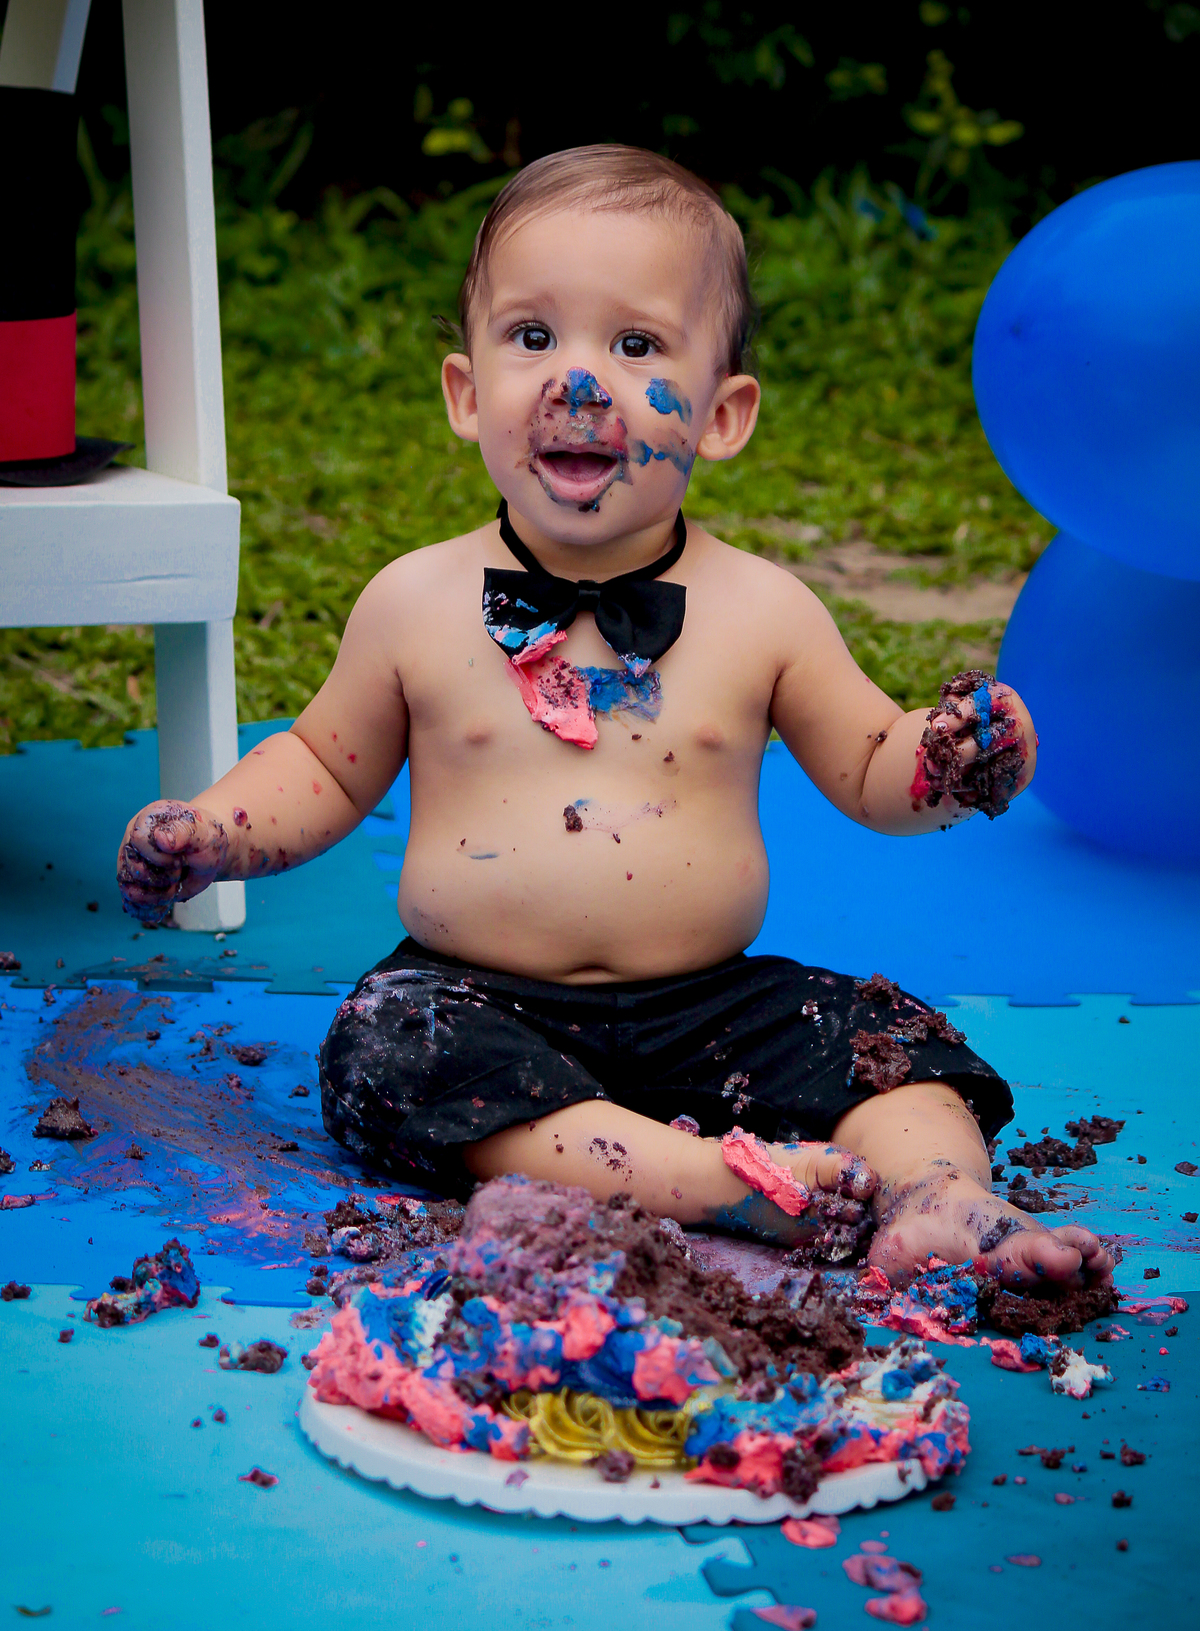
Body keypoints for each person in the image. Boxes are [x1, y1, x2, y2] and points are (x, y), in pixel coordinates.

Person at [117, 145, 1113, 1291]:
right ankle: (719, 1184)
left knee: (905, 1049)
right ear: (464, 392)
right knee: (381, 1054)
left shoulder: (764, 610)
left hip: (712, 1008)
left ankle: (945, 1200)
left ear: (725, 415)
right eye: (533, 338)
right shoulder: (414, 601)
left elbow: (869, 766)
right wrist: (219, 831)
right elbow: (322, 767)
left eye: (635, 346)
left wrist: (950, 762)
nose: (577, 381)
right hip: (477, 997)